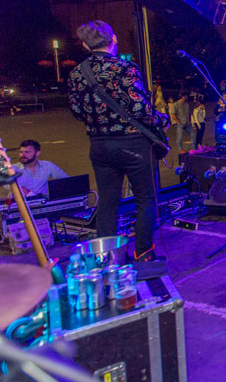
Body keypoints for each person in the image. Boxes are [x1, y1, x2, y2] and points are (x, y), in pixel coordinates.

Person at [67, 20, 169, 263]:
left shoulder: (77, 73)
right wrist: (162, 119)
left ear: (85, 45)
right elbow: (140, 108)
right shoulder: (125, 68)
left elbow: (77, 111)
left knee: (108, 202)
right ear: (114, 39)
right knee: (146, 200)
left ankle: (106, 257)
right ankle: (143, 254)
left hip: (100, 144)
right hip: (133, 144)